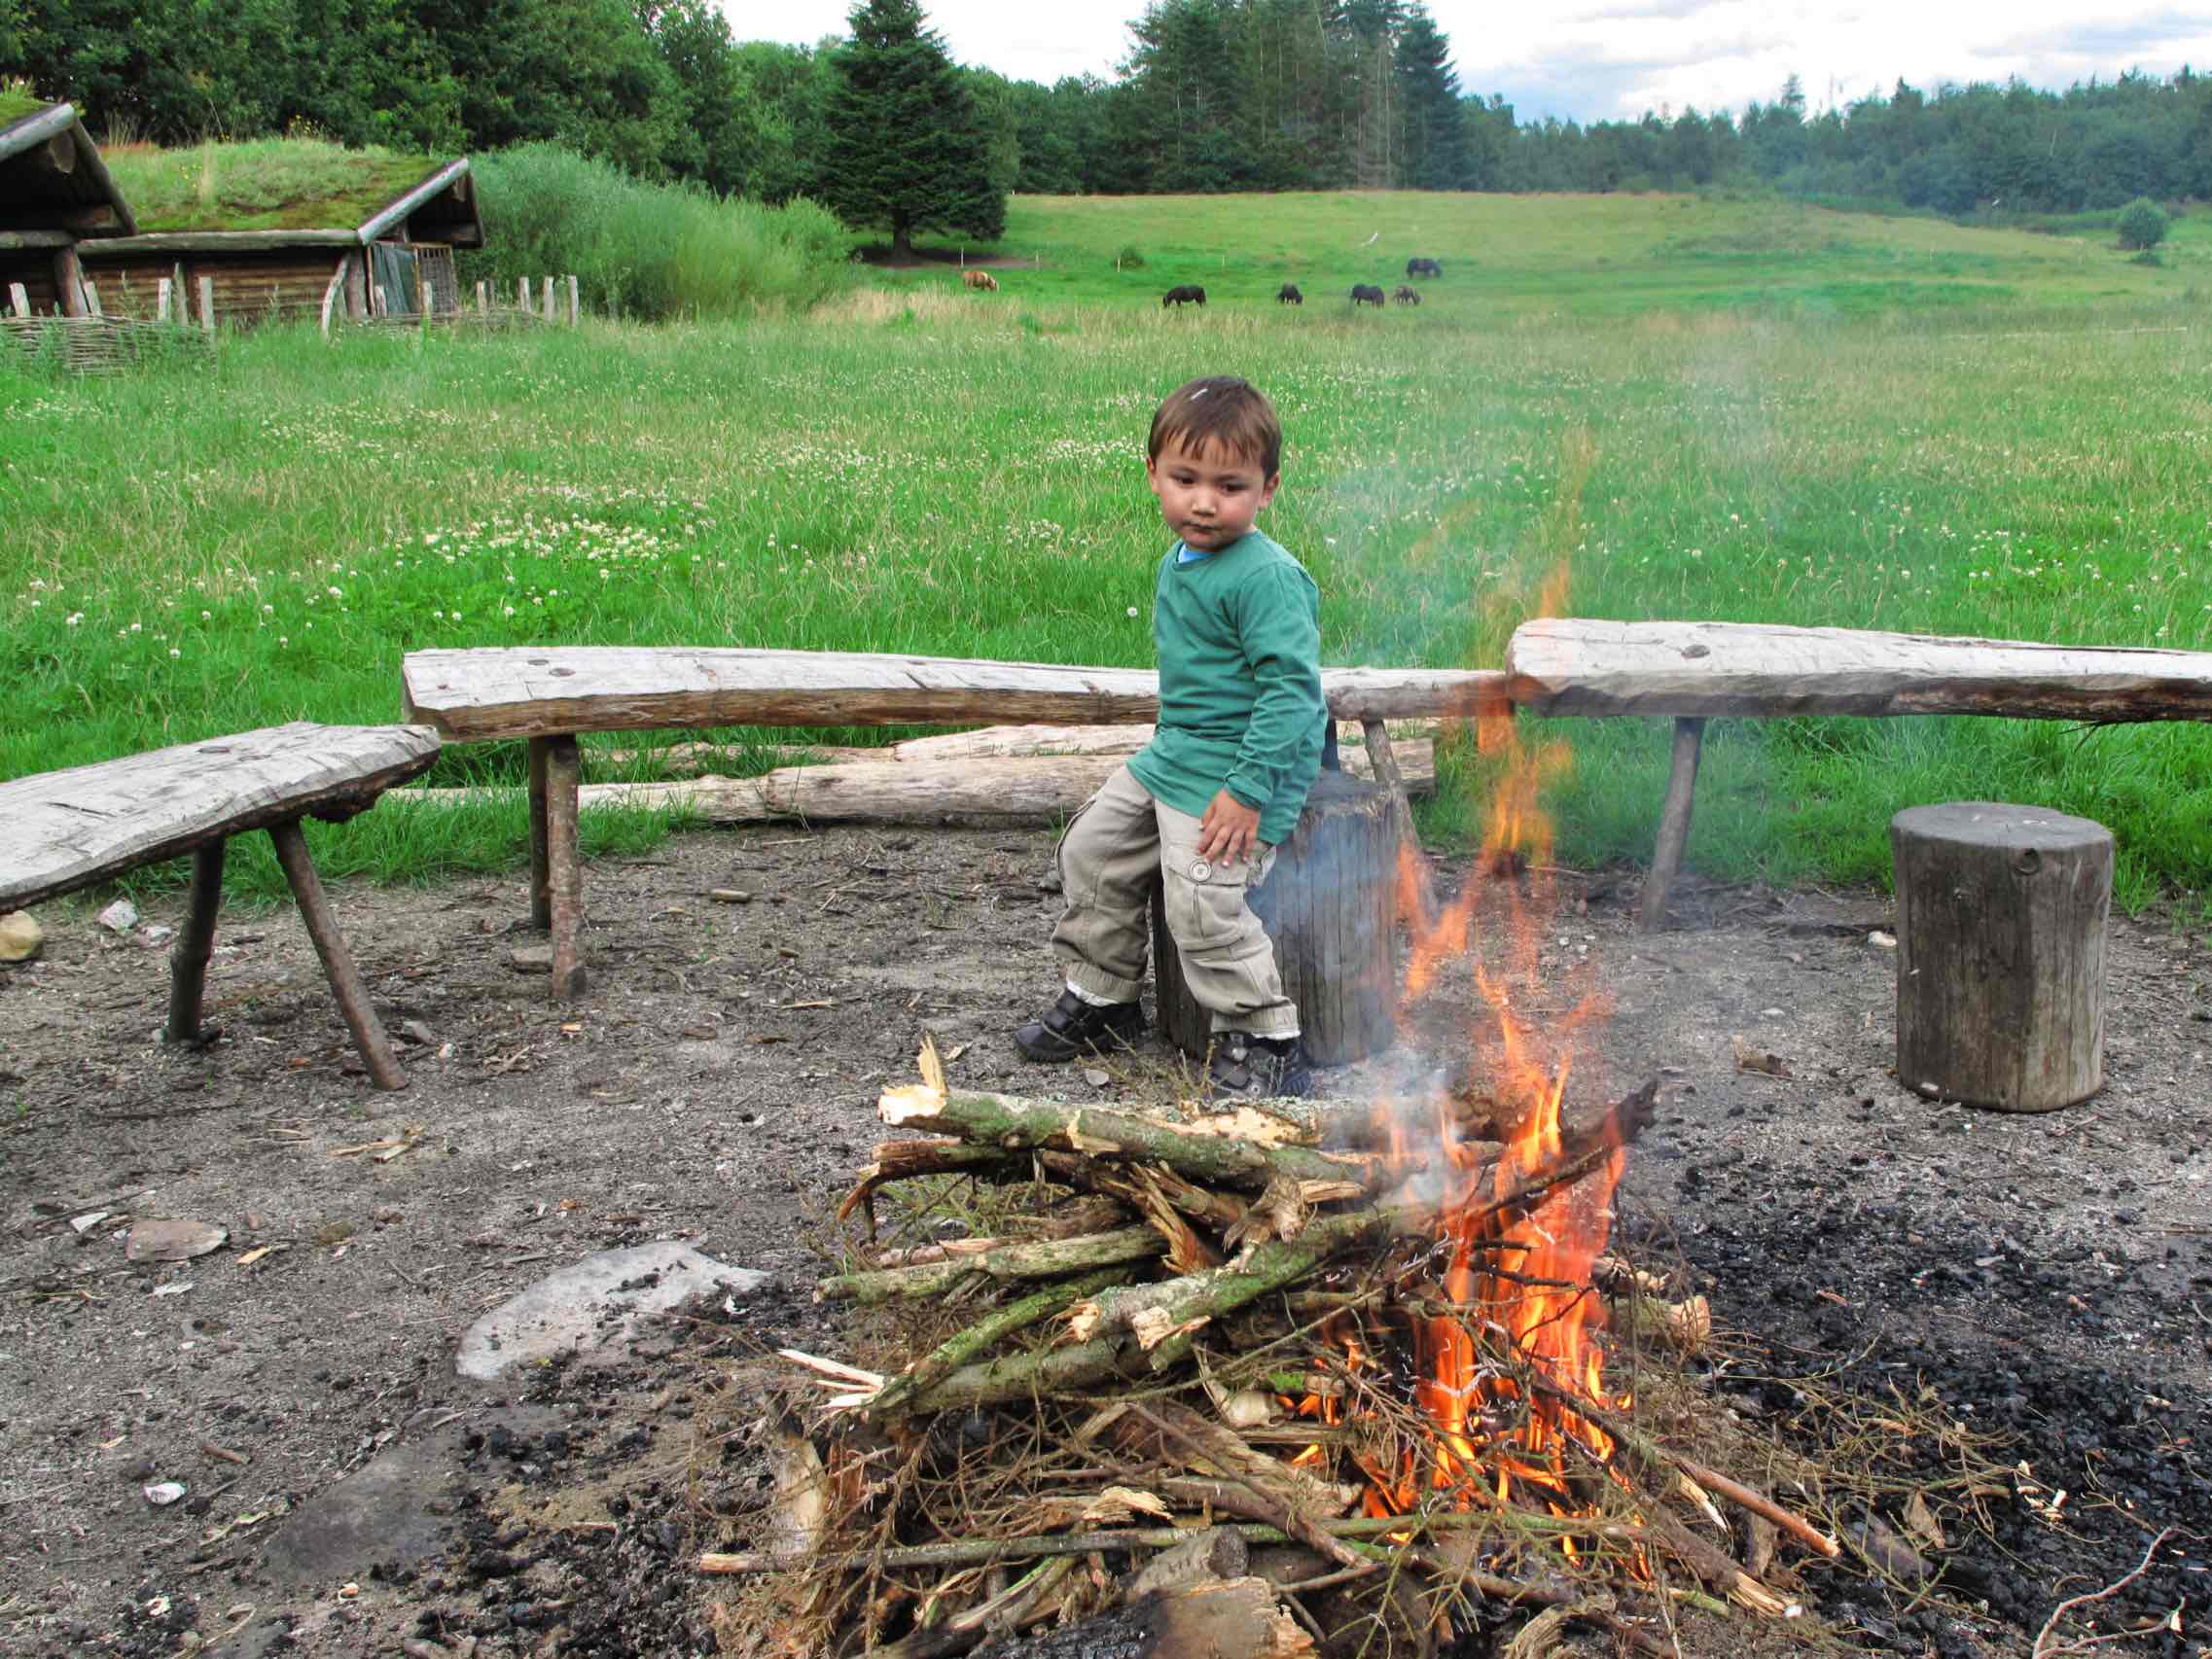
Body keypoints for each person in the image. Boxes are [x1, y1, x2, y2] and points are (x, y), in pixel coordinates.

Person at [1015, 374, 1324, 1096]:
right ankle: (1104, 994)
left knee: (1203, 901)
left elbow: (1292, 693)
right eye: (1186, 479)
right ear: (1153, 473)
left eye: (1231, 485)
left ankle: (1265, 1034)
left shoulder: (1267, 578)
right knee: (1092, 850)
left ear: (1268, 488)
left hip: (1241, 769)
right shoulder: (1179, 560)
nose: (1205, 501)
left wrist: (1248, 792)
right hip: (1179, 752)